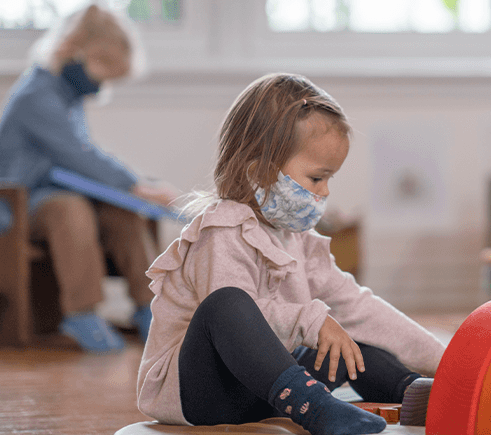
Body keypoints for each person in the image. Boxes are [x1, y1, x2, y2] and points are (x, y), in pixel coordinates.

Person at [136, 73, 445, 435]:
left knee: (348, 336)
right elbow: (233, 326)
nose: (326, 191)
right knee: (227, 304)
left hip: (264, 390)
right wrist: (311, 321)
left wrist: (445, 361)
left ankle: (413, 393)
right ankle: (317, 409)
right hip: (200, 392)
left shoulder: (299, 238)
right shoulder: (219, 232)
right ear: (261, 172)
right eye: (317, 178)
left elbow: (359, 307)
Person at [0, 3, 177, 353]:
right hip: (23, 202)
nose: (101, 84)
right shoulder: (36, 95)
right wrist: (134, 184)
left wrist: (132, 190)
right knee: (70, 209)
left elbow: (81, 159)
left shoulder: (68, 97)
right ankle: (81, 313)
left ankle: (150, 307)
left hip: (63, 192)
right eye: (102, 72)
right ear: (77, 53)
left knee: (122, 213)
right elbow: (76, 155)